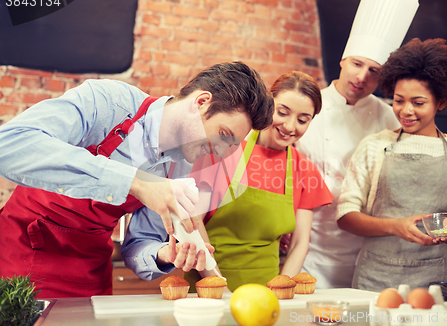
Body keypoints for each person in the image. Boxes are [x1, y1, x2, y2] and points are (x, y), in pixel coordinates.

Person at [0, 61, 275, 298]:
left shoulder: (180, 168)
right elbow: (9, 145)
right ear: (202, 103)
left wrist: (163, 254)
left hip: (90, 270)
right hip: (22, 253)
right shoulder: (108, 102)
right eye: (224, 134)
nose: (221, 151)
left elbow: (138, 244)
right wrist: (137, 182)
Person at [123, 71, 333, 291]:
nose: (290, 126)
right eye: (282, 112)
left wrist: (281, 289)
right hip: (209, 286)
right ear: (268, 107)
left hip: (267, 291)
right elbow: (194, 220)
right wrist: (218, 285)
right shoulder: (222, 149)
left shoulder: (304, 169)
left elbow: (300, 243)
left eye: (302, 120)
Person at [293, 0, 419, 288]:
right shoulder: (307, 108)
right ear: (342, 60)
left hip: (368, 251)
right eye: (357, 64)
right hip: (308, 247)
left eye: (374, 71)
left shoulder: (390, 118)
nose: (362, 76)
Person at [336, 38, 447, 291]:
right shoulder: (373, 146)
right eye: (398, 100)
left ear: (441, 103)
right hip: (376, 281)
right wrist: (395, 226)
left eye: (419, 102)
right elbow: (346, 216)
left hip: (438, 282)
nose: (406, 110)